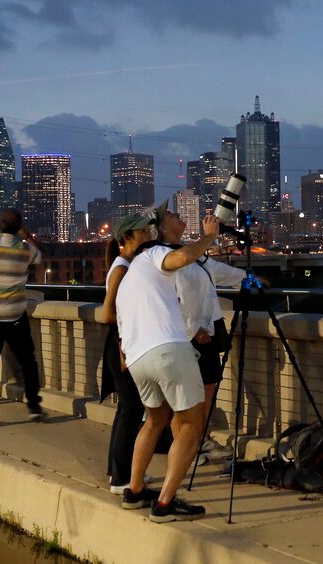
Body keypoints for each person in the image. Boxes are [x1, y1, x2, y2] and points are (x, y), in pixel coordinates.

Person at [116, 213, 220, 523]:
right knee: (190, 424)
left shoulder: (128, 278)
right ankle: (165, 503)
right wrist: (210, 237)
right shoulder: (152, 253)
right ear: (145, 234)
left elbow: (122, 332)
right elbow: (183, 256)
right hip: (168, 349)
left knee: (154, 420)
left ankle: (134, 491)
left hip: (137, 358)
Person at [158, 210, 265, 461]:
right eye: (173, 215)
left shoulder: (192, 254)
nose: (179, 215)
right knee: (184, 398)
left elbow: (215, 270)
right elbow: (168, 298)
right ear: (163, 228)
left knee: (207, 390)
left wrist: (249, 278)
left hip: (209, 328)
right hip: (187, 337)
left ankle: (199, 440)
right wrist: (193, 329)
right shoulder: (166, 257)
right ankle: (185, 449)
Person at [0, 208, 46, 428]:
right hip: (14, 316)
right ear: (18, 227)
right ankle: (33, 406)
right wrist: (25, 233)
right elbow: (40, 254)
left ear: (0, 225)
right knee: (28, 362)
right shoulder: (24, 249)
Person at [100, 214, 153, 494]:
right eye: (143, 231)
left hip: (123, 343)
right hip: (120, 344)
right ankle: (121, 479)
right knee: (131, 409)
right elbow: (107, 313)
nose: (148, 233)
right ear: (128, 237)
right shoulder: (122, 267)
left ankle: (117, 472)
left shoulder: (128, 264)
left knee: (127, 410)